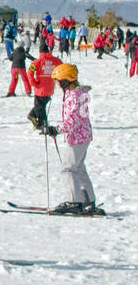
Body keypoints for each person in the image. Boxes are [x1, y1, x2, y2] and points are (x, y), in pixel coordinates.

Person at [42, 64, 102, 215]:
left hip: (77, 137)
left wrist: (56, 129)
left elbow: (72, 120)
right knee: (79, 167)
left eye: (58, 81)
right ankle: (88, 200)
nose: (57, 84)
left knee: (67, 168)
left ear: (66, 80)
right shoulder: (77, 92)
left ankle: (74, 201)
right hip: (82, 136)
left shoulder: (74, 96)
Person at [27, 44, 62, 130]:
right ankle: (32, 116)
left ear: (40, 52)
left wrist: (34, 83)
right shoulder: (56, 60)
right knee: (41, 105)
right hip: (50, 87)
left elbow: (29, 73)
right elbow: (62, 68)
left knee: (39, 107)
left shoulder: (37, 62)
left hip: (40, 88)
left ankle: (42, 124)